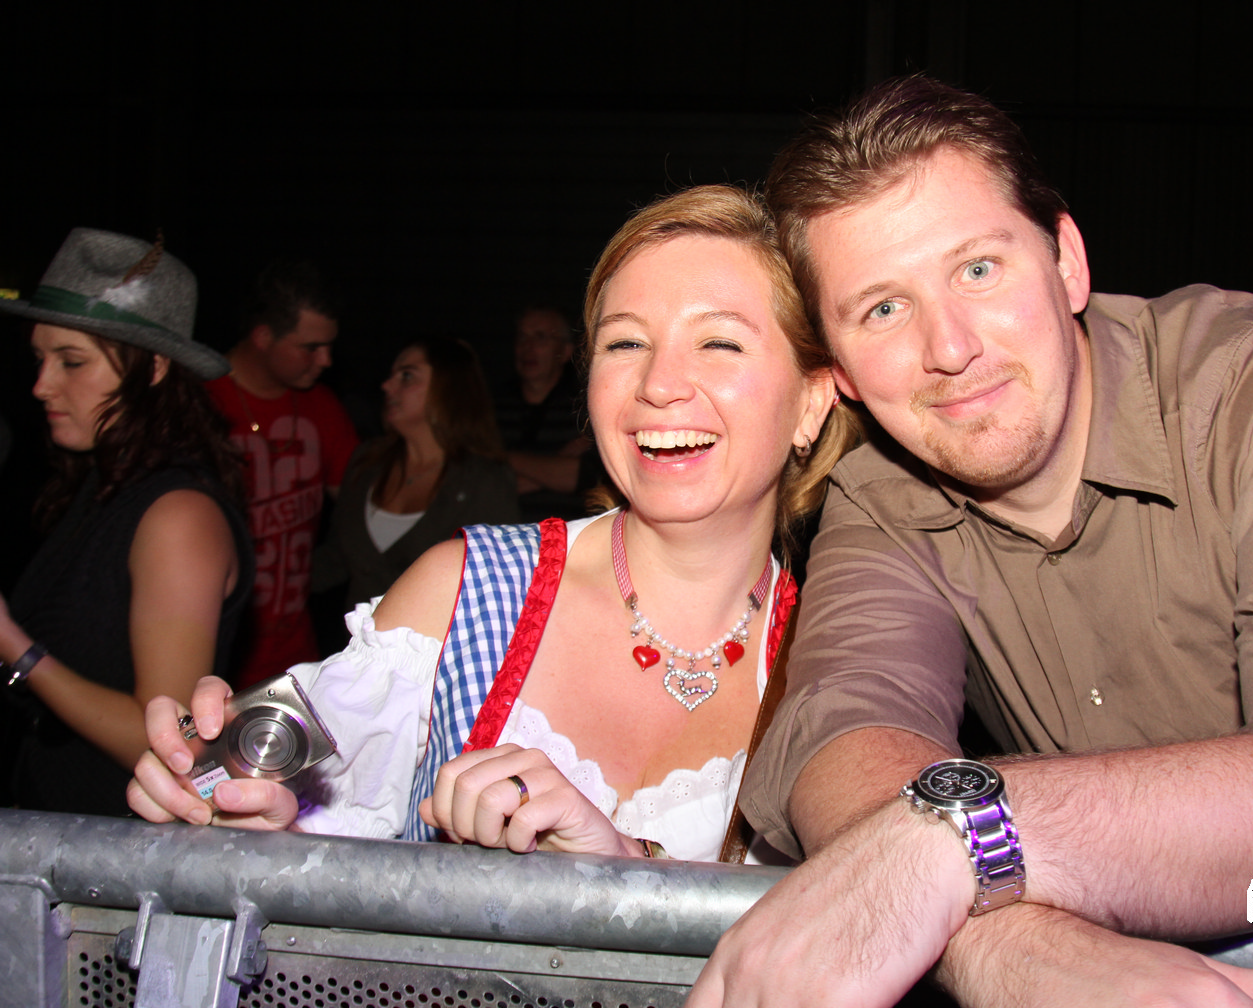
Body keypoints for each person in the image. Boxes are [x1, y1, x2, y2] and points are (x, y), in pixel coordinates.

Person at [678, 77, 1253, 1008]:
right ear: (842, 373)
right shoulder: (882, 497)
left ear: (1066, 264)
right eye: (883, 310)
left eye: (979, 269)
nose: (950, 347)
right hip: (1135, 997)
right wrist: (1011, 949)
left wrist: (956, 840)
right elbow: (845, 730)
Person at [127, 185, 857, 863]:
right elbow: (282, 832)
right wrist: (237, 813)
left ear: (812, 400)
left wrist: (624, 867)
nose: (658, 385)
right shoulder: (464, 591)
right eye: (625, 343)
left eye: (720, 342)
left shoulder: (840, 663)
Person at [0, 228, 252, 817]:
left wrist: (16, 649)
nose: (41, 385)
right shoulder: (101, 481)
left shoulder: (178, 516)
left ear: (154, 367)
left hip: (119, 853)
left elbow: (167, 741)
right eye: (39, 359)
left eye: (72, 362)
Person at [207, 260, 359, 686]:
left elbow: (361, 508)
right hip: (212, 659)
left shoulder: (321, 406)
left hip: (295, 658)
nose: (326, 360)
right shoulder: (200, 403)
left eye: (329, 345)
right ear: (262, 337)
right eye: (311, 347)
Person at [313, 334, 522, 605]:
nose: (387, 386)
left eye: (407, 376)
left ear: (448, 389)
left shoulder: (482, 480)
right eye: (391, 376)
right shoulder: (368, 462)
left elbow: (500, 584)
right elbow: (336, 557)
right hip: (360, 631)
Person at [495, 304, 602, 518]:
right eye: (522, 337)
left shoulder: (583, 410)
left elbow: (583, 477)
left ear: (565, 351)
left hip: (567, 531)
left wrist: (502, 457)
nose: (528, 347)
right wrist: (555, 463)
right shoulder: (494, 408)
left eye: (540, 337)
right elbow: (482, 483)